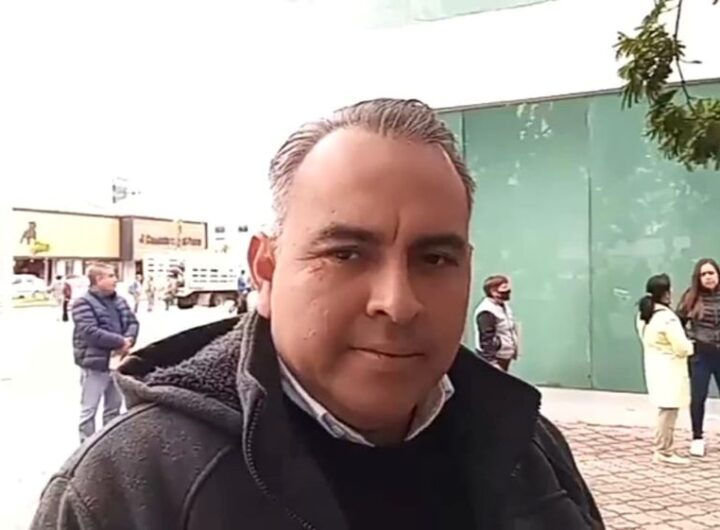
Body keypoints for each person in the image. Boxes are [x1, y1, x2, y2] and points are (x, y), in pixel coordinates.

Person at [32, 98, 601, 529]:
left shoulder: (527, 447)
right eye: (346, 254)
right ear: (266, 270)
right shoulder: (127, 487)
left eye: (434, 259)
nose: (397, 302)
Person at [70, 263, 139, 443]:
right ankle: (86, 446)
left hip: (118, 362)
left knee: (113, 409)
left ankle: (110, 445)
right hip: (95, 365)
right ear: (98, 279)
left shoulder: (119, 301)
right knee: (89, 410)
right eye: (111, 276)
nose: (115, 280)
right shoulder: (82, 303)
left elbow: (133, 323)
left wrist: (129, 339)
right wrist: (120, 342)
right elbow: (90, 331)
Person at [636, 273, 693, 465]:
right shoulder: (667, 318)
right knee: (668, 413)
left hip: (655, 367)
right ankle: (664, 451)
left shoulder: (644, 315)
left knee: (665, 410)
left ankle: (664, 449)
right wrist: (691, 345)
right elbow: (682, 347)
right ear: (666, 293)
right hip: (670, 370)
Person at [676, 258, 720, 458]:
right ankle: (697, 438)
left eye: (711, 273)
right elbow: (677, 323)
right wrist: (689, 341)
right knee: (698, 397)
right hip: (701, 355)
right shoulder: (691, 298)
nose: (708, 277)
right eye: (703, 274)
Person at [474, 274, 519, 371]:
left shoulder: (503, 305)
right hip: (495, 359)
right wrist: (492, 363)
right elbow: (486, 339)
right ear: (493, 291)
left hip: (504, 356)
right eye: (504, 289)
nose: (508, 292)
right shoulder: (486, 311)